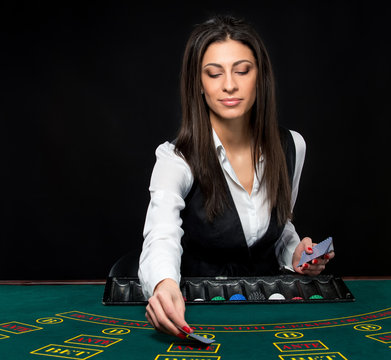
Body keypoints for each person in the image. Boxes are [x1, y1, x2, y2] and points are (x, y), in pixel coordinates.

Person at [138, 15, 334, 339]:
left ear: (261, 77)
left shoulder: (293, 146)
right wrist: (163, 284)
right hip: (199, 312)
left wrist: (296, 252)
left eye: (242, 70)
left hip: (272, 316)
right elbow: (161, 234)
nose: (229, 84)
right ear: (198, 84)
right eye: (214, 74)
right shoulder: (175, 158)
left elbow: (280, 226)